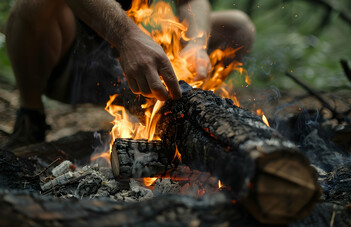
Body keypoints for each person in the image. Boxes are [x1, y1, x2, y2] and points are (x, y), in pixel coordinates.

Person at [2, 0, 255, 150]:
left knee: (237, 27)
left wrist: (196, 44)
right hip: (66, 65)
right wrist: (126, 37)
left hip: (133, 75)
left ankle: (163, 116)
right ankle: (30, 116)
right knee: (32, 4)